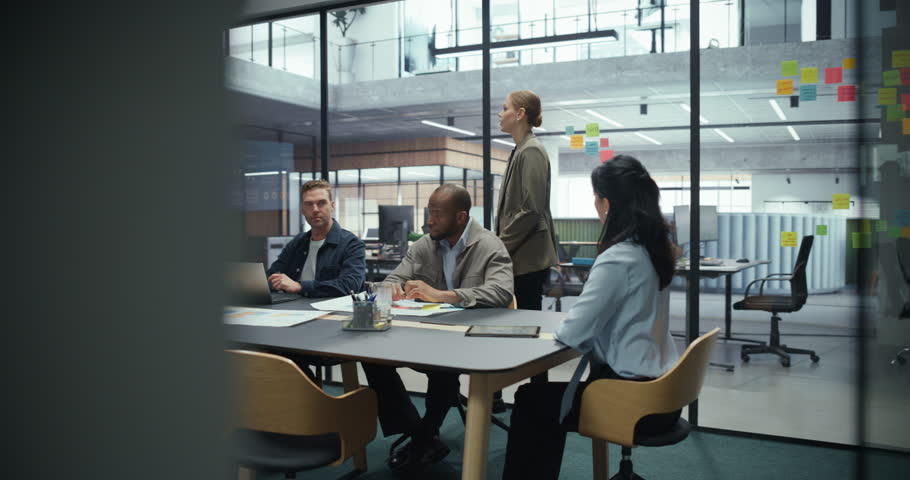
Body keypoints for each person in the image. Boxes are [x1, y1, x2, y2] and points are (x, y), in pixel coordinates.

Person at [502, 156, 681, 480]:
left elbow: (573, 333)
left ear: (607, 204)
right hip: (663, 391)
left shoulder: (618, 258)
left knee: (531, 402)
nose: (594, 203)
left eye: (596, 196)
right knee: (542, 400)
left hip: (631, 398)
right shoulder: (653, 251)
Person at [361, 184, 513, 476]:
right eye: (429, 213)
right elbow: (396, 277)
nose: (429, 221)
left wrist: (444, 296)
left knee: (443, 362)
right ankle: (422, 435)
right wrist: (392, 286)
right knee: (370, 353)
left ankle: (426, 432)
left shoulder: (489, 245)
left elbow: (502, 291)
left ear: (460, 217)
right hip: (428, 331)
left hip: (468, 337)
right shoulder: (424, 244)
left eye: (437, 215)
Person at [496, 89, 559, 311]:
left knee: (525, 319)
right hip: (520, 256)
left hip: (527, 258)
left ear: (520, 113)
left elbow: (531, 210)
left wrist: (499, 246)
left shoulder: (531, 151)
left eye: (505, 109)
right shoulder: (520, 150)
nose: (500, 114)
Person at [266, 179, 366, 298]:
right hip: (293, 308)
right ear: (302, 210)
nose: (315, 209)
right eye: (309, 204)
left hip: (330, 311)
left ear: (332, 206)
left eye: (321, 203)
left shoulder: (351, 244)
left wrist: (300, 286)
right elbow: (271, 276)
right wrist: (275, 282)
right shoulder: (297, 242)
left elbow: (350, 285)